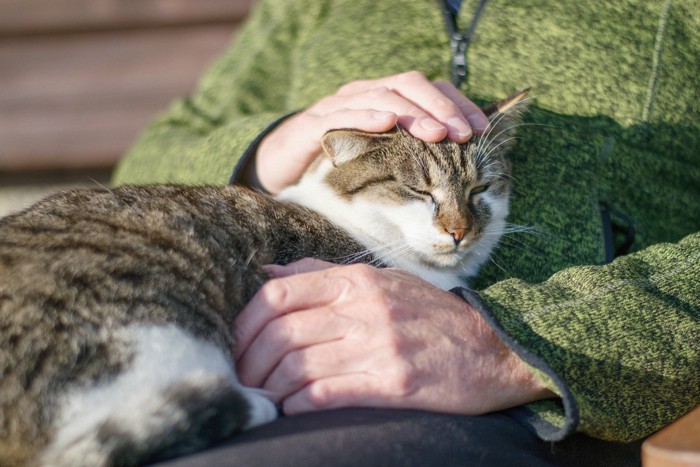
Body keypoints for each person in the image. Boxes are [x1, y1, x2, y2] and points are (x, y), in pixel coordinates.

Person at [112, 0, 699, 465]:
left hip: (553, 417)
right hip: (249, 355)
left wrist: (510, 343)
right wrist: (270, 146)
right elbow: (144, 167)